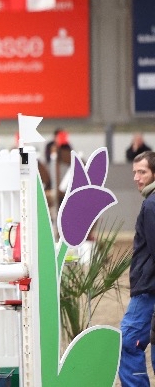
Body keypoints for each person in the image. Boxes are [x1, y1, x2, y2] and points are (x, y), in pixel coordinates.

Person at [119, 150, 155, 387]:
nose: (136, 177)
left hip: (148, 288)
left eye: (142, 172)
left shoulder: (151, 205)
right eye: (134, 172)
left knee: (128, 340)